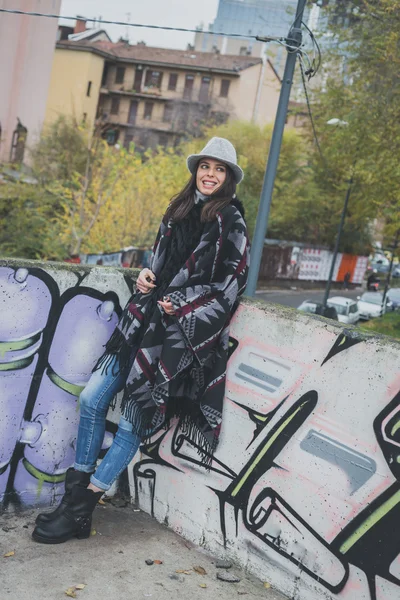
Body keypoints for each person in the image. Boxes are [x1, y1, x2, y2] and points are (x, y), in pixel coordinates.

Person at [32, 137, 250, 544]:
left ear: (229, 179)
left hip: (176, 340)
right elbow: (160, 259)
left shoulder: (231, 223)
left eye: (219, 170)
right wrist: (146, 275)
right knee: (92, 398)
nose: (210, 175)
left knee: (133, 421)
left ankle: (82, 508)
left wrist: (181, 304)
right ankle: (75, 499)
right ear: (196, 170)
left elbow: (231, 286)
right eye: (206, 166)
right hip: (141, 322)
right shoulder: (177, 210)